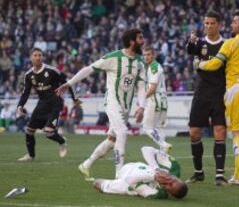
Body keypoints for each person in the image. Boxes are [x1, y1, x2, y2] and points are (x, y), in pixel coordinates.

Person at [56, 29, 146, 179]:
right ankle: (119, 176)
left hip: (125, 107)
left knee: (112, 140)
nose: (143, 40)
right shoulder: (113, 58)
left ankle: (86, 165)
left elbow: (142, 87)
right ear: (132, 41)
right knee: (122, 132)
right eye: (140, 38)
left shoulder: (140, 63)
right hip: (112, 102)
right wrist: (69, 83)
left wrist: (141, 106)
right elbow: (88, 69)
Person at [194, 11, 239, 187]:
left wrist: (199, 64)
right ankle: (237, 174)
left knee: (237, 133)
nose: (231, 24)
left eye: (235, 21)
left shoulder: (231, 42)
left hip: (236, 88)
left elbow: (215, 64)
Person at [185, 11, 227, 186]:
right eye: (206, 23)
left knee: (220, 132)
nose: (208, 26)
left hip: (219, 92)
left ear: (219, 24)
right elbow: (190, 51)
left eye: (212, 23)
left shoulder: (226, 45)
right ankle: (198, 172)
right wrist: (191, 42)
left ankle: (219, 175)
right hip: (202, 92)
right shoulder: (200, 42)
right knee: (194, 133)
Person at [17, 47, 78, 161]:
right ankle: (31, 156)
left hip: (55, 103)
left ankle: (62, 141)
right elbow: (25, 93)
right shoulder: (29, 75)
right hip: (42, 104)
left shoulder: (51, 70)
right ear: (31, 58)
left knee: (48, 132)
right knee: (29, 131)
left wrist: (75, 98)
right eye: (35, 55)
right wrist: (20, 106)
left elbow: (68, 82)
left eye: (40, 55)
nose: (38, 57)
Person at [93, 162, 188, 199]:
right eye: (174, 180)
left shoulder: (154, 193)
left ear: (169, 193)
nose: (169, 180)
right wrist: (156, 169)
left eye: (170, 185)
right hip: (134, 164)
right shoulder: (174, 169)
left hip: (125, 182)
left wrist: (154, 176)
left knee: (98, 183)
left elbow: (129, 179)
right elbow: (146, 149)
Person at [142, 46, 172, 152]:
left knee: (146, 128)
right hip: (163, 100)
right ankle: (163, 154)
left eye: (148, 54)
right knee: (160, 127)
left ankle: (163, 144)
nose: (146, 57)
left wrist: (142, 100)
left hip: (155, 100)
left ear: (153, 55)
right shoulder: (157, 66)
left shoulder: (153, 67)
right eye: (144, 55)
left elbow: (152, 88)